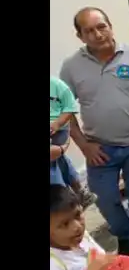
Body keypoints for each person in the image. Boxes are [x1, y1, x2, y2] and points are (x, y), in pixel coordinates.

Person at [61, 7, 129, 262]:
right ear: (80, 36)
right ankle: (124, 234)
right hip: (100, 148)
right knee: (104, 198)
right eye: (89, 30)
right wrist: (84, 145)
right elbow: (63, 109)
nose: (97, 34)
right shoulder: (72, 67)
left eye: (101, 26)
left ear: (110, 26)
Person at [50, 76, 96, 206]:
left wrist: (58, 124)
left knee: (53, 162)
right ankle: (78, 193)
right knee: (59, 159)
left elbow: (70, 108)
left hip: (58, 129)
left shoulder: (58, 86)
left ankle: (60, 201)